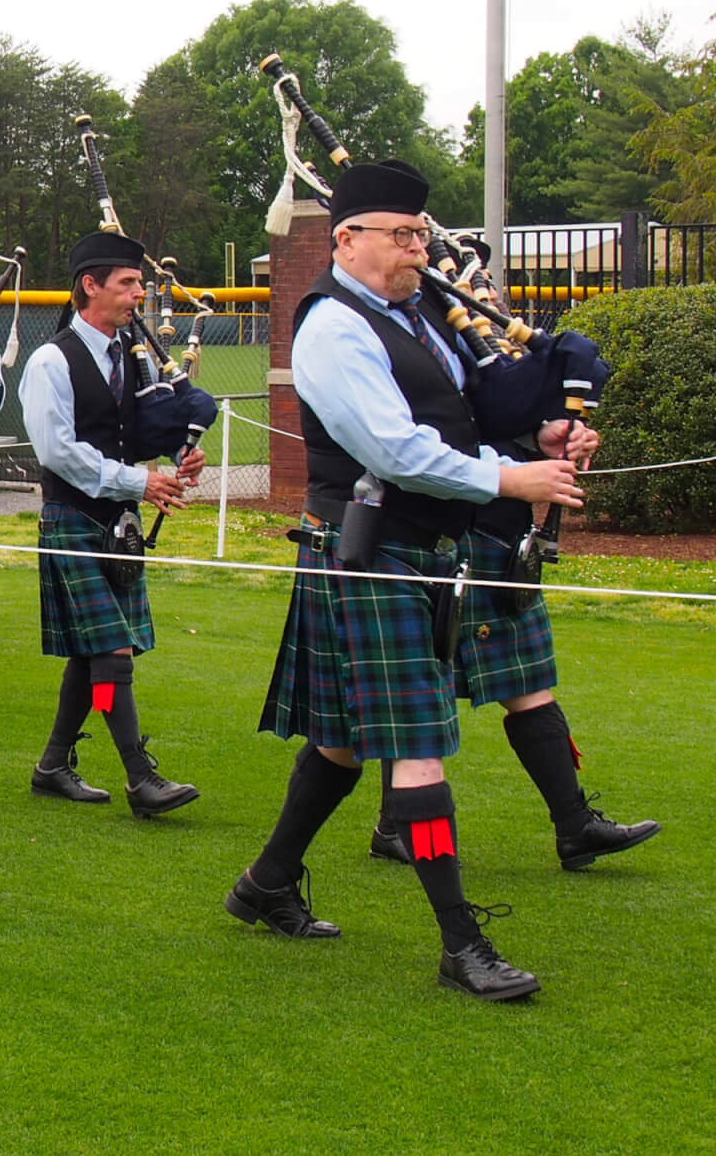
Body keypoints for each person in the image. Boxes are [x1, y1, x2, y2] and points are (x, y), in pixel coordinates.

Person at [227, 158, 585, 1002]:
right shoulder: (332, 327)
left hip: (423, 550)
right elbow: (393, 450)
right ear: (346, 239)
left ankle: (266, 882)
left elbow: (458, 423)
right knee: (417, 749)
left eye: (422, 234)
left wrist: (539, 444)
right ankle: (462, 945)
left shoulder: (419, 313)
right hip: (366, 550)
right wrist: (510, 482)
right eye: (401, 235)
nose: (418, 249)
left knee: (345, 742)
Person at [367, 447, 659, 870]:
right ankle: (395, 827)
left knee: (526, 683)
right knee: (419, 682)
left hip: (503, 534)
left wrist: (556, 439)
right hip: (456, 527)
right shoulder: (467, 379)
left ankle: (574, 826)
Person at [17, 231, 201, 819]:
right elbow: (58, 451)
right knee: (111, 650)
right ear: (89, 287)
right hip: (72, 516)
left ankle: (51, 766)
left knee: (89, 652)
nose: (138, 295)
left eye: (140, 284)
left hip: (116, 522)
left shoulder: (127, 356)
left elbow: (138, 433)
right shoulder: (51, 361)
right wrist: (138, 482)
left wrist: (178, 454)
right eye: (127, 284)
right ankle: (140, 777)